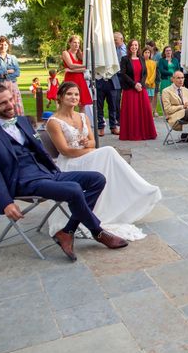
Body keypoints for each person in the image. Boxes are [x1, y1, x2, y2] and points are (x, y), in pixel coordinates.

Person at [0, 82, 128, 261]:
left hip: (47, 173)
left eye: (10, 100)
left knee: (97, 179)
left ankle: (67, 231)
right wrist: (5, 202)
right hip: (22, 181)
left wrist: (55, 171)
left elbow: (39, 151)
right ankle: (98, 232)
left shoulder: (23, 120)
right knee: (73, 189)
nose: (10, 105)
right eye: (3, 103)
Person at [46, 82, 161, 240]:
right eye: (69, 94)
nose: (73, 97)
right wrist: (88, 150)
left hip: (87, 156)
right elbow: (64, 150)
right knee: (108, 152)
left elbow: (93, 142)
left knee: (106, 155)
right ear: (60, 97)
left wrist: (88, 144)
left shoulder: (83, 116)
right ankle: (140, 188)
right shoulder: (54, 122)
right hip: (69, 163)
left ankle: (126, 195)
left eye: (76, 94)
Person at [119, 39, 157, 141]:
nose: (134, 47)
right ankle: (131, 134)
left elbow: (144, 73)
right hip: (130, 89)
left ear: (138, 47)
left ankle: (147, 133)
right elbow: (123, 74)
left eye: (136, 45)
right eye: (132, 45)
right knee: (132, 112)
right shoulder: (125, 59)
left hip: (141, 88)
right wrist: (134, 84)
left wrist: (140, 83)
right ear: (129, 47)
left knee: (145, 110)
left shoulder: (141, 59)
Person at [93, 31, 122, 137]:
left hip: (112, 81)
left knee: (113, 106)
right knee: (99, 106)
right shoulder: (98, 49)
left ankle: (113, 126)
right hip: (100, 80)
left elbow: (120, 64)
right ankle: (101, 127)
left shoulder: (116, 51)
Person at [0, 35, 24, 116]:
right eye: (0, 44)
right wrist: (8, 71)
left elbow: (17, 72)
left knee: (16, 105)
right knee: (0, 105)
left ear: (8, 46)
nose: (3, 46)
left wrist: (2, 74)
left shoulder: (13, 58)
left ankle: (19, 124)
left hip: (12, 85)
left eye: (5, 44)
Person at [61, 35, 93, 121]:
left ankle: (81, 123)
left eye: (78, 43)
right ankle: (70, 122)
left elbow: (86, 68)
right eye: (74, 42)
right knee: (70, 103)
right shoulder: (66, 53)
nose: (77, 45)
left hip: (80, 79)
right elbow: (71, 64)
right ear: (70, 43)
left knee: (82, 104)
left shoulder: (81, 54)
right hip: (71, 80)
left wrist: (72, 70)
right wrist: (84, 66)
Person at [142, 46, 160, 116]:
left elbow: (153, 74)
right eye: (145, 52)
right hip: (144, 84)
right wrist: (145, 82)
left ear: (150, 54)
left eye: (148, 52)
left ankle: (149, 114)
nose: (147, 54)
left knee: (150, 100)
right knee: (144, 100)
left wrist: (149, 82)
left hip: (151, 84)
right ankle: (143, 114)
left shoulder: (153, 63)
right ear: (143, 53)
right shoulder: (141, 62)